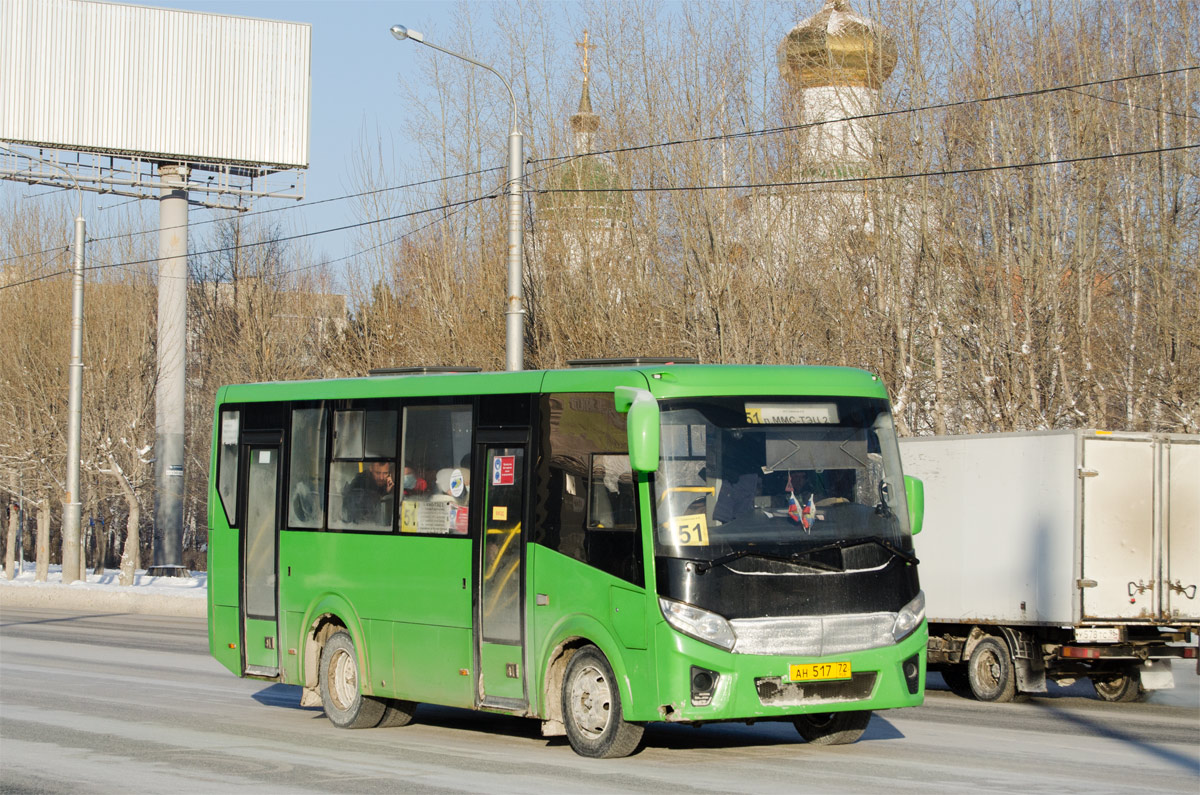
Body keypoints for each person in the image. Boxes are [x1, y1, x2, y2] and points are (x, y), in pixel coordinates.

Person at [341, 460, 395, 526]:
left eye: (385, 473)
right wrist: (384, 493)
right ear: (371, 469)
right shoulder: (360, 482)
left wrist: (388, 491)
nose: (381, 477)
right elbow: (367, 509)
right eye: (378, 473)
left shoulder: (389, 484)